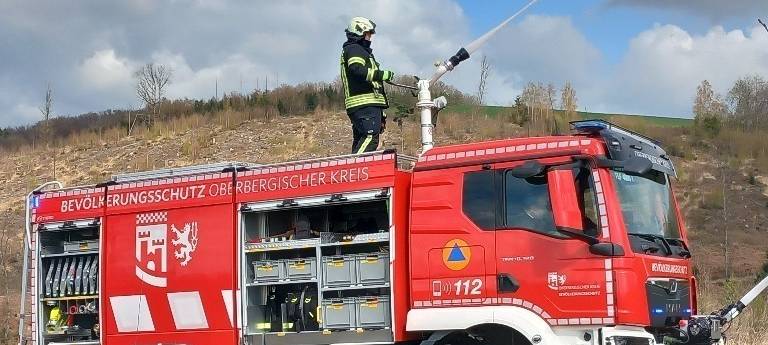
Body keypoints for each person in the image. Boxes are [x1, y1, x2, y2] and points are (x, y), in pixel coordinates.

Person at [340, 17, 395, 153]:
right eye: (368, 34)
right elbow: (356, 69)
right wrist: (381, 74)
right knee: (370, 137)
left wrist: (381, 112)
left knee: (362, 140)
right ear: (360, 32)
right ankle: (354, 170)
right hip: (363, 104)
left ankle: (356, 170)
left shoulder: (359, 50)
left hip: (367, 104)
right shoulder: (354, 49)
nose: (370, 38)